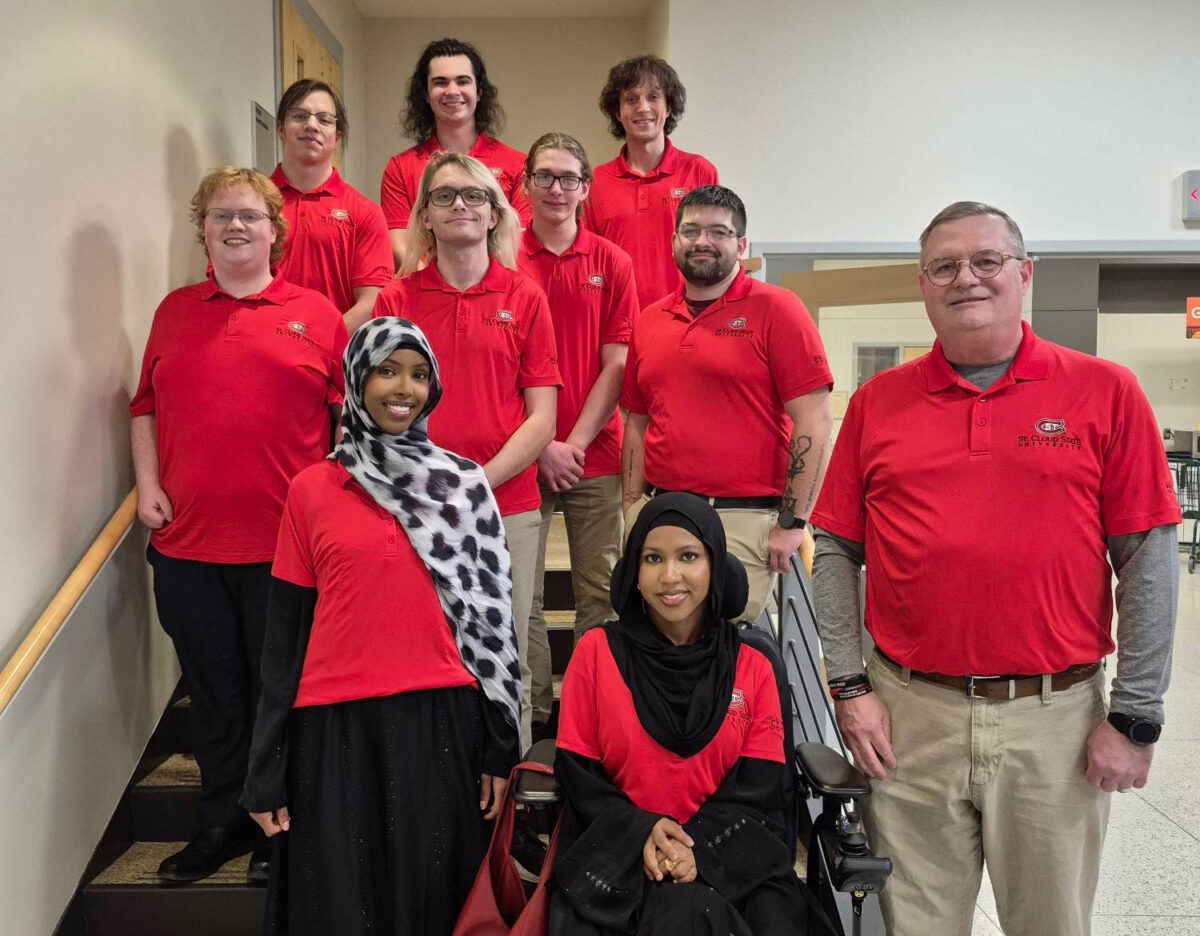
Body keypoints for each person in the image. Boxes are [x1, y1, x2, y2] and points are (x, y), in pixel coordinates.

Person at [810, 201, 1182, 936]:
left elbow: (1148, 560)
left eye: (986, 261)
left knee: (1050, 924)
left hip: (1056, 721)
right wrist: (849, 687)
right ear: (924, 284)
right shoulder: (878, 404)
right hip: (910, 717)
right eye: (945, 266)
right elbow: (835, 550)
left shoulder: (1105, 393)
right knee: (914, 927)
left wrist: (1136, 718)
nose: (966, 279)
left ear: (1024, 274)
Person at [241, 317, 521, 935]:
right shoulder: (313, 488)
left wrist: (501, 749)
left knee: (434, 908)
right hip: (333, 727)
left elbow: (494, 632)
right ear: (357, 379)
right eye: (388, 370)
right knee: (341, 909)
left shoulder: (465, 488)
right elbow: (282, 641)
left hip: (441, 721)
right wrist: (265, 769)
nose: (405, 388)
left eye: (419, 375)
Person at [130, 167, 347, 883]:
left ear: (274, 231)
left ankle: (277, 828)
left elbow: (347, 425)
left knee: (277, 693)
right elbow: (144, 409)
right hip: (187, 544)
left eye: (250, 216)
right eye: (220, 216)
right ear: (203, 230)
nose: (234, 227)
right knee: (214, 691)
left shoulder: (316, 314)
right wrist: (147, 483)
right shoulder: (174, 311)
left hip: (285, 548)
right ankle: (220, 821)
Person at [550, 493, 826, 936]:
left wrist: (698, 852)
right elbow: (580, 777)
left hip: (729, 853)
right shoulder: (596, 654)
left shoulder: (752, 665)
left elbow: (759, 790)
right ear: (633, 574)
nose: (670, 575)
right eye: (653, 558)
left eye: (689, 556)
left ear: (715, 566)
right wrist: (644, 832)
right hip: (621, 852)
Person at [372, 151, 560, 750]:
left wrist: (474, 479)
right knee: (425, 658)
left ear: (493, 214)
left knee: (506, 654)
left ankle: (510, 810)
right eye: (445, 195)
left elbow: (542, 419)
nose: (460, 205)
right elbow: (376, 410)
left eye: (474, 196)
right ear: (424, 214)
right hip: (415, 508)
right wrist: (434, 482)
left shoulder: (525, 297)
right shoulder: (395, 300)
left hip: (508, 507)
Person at [621, 185, 833, 622]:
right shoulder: (649, 320)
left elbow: (813, 421)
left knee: (731, 656)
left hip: (743, 519)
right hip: (664, 512)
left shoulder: (778, 309)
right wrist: (631, 508)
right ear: (675, 240)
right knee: (663, 648)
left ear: (740, 245)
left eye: (718, 232)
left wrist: (792, 523)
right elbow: (637, 421)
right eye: (691, 230)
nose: (703, 241)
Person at [517, 132, 639, 732]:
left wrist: (574, 445)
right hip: (519, 458)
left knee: (601, 597)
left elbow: (617, 363)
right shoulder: (502, 257)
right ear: (526, 184)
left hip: (597, 453)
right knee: (525, 601)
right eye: (545, 176)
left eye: (569, 178)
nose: (557, 188)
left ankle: (592, 724)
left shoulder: (613, 263)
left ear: (586, 189)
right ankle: (536, 725)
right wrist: (540, 447)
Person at [381, 38, 529, 272]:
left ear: (479, 92)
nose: (452, 91)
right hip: (424, 297)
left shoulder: (518, 164)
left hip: (499, 295)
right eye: (440, 82)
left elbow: (520, 239)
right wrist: (440, 286)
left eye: (463, 81)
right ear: (426, 95)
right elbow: (400, 244)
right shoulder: (400, 167)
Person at [585, 55, 718, 309]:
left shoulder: (699, 172)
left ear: (668, 107)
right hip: (619, 325)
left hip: (687, 318)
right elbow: (589, 263)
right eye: (631, 99)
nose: (643, 107)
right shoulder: (595, 182)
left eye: (653, 97)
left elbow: (716, 253)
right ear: (618, 111)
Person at [271, 79, 393, 332]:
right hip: (262, 352)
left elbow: (372, 301)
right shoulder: (252, 205)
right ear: (280, 128)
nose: (311, 125)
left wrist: (320, 342)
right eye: (300, 115)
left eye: (324, 119)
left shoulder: (365, 212)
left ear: (337, 137)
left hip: (334, 357)